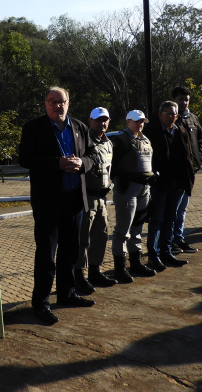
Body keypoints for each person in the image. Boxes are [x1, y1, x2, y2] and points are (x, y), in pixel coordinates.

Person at [19, 87, 96, 325]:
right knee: (46, 255)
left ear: (68, 102)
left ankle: (67, 293)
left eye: (60, 101)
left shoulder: (81, 128)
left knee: (70, 252)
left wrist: (81, 163)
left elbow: (93, 155)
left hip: (75, 201)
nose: (56, 106)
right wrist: (58, 163)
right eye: (51, 102)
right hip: (47, 203)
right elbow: (25, 159)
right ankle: (41, 303)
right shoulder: (33, 128)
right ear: (45, 104)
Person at [144, 101, 195, 272]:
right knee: (157, 219)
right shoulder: (151, 132)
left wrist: (188, 178)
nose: (170, 116)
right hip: (159, 184)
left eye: (173, 113)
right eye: (166, 113)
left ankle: (166, 252)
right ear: (159, 115)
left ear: (177, 116)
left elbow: (188, 156)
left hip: (178, 183)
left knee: (170, 219)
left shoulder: (181, 131)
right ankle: (153, 256)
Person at [73, 107, 118, 294]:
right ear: (89, 121)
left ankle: (95, 270)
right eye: (99, 120)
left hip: (102, 197)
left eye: (106, 120)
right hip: (86, 196)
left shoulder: (108, 143)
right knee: (83, 239)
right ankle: (79, 275)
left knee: (101, 235)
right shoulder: (84, 141)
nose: (103, 123)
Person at [109, 110, 157, 284]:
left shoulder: (145, 139)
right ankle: (119, 268)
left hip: (144, 188)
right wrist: (118, 181)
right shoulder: (121, 140)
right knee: (123, 229)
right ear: (128, 121)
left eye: (142, 121)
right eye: (136, 121)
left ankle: (135, 263)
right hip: (127, 189)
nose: (140, 124)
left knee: (137, 228)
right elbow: (111, 165)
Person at [171, 86, 202, 254]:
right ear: (174, 100)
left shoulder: (193, 118)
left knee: (182, 208)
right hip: (175, 172)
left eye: (186, 100)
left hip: (190, 171)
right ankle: (170, 241)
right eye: (180, 99)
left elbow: (200, 140)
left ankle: (179, 238)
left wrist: (197, 161)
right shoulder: (170, 119)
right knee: (173, 208)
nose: (184, 102)